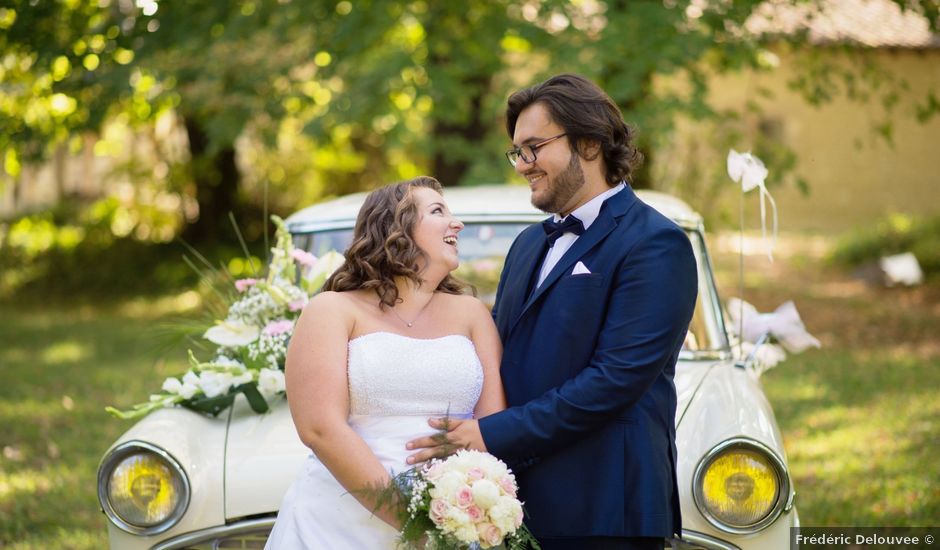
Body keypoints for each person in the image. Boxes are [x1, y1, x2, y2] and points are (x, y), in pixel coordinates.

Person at [406, 74, 698, 549]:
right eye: (517, 151)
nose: (523, 164)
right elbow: (499, 355)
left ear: (588, 141)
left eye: (534, 147)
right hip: (516, 502)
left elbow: (615, 380)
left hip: (605, 506)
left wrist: (490, 433)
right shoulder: (527, 244)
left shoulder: (655, 243)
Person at [265, 176, 506, 548]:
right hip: (337, 525)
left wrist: (463, 514)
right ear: (395, 226)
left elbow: (493, 429)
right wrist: (413, 523)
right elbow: (320, 428)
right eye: (439, 211)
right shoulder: (333, 309)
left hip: (453, 520)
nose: (457, 224)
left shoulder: (473, 315)